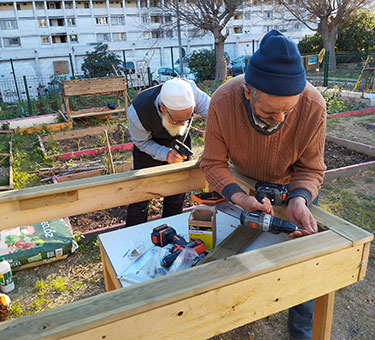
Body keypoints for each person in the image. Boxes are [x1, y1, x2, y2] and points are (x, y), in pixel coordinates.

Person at [199, 29, 326, 340]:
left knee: (302, 266)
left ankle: (300, 333)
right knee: (243, 254)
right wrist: (240, 197)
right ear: (248, 92)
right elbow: (213, 163)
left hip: (293, 188)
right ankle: (240, 310)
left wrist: (298, 200)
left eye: (288, 111)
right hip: (244, 184)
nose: (280, 119)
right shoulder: (223, 101)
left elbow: (311, 169)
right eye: (270, 112)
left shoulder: (313, 106)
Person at [126, 77, 210, 227]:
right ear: (163, 108)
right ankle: (134, 234)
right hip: (148, 147)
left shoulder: (191, 91)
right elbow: (141, 142)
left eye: (188, 118)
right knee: (141, 196)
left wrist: (211, 150)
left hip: (179, 144)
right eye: (178, 121)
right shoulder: (138, 112)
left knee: (177, 193)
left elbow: (216, 116)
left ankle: (170, 230)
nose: (184, 124)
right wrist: (164, 153)